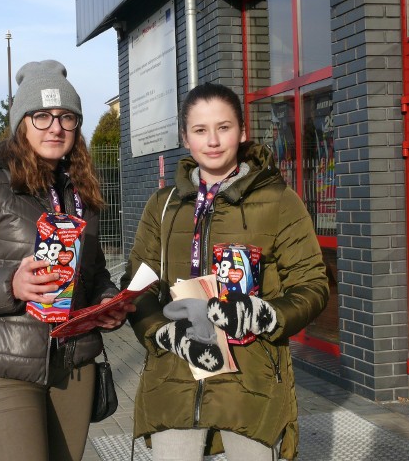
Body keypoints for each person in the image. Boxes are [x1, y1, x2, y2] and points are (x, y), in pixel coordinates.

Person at [0, 59, 134, 461]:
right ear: (21, 123)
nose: (55, 127)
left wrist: (108, 300)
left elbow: (95, 271)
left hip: (75, 361)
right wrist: (10, 284)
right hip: (8, 365)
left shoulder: (81, 189)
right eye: (41, 116)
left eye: (66, 117)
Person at [121, 82, 329, 461]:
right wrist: (165, 334)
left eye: (224, 127)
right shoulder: (162, 205)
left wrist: (264, 314)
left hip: (251, 379)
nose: (213, 141)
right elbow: (138, 287)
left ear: (243, 131)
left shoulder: (279, 200)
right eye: (200, 130)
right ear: (185, 137)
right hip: (175, 375)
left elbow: (313, 285)